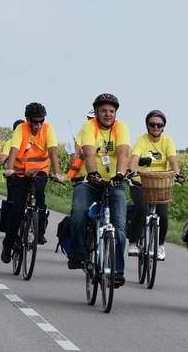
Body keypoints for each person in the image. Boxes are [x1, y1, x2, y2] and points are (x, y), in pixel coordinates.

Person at [67, 93, 130, 288]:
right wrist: (93, 173)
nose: (108, 114)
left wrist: (120, 174)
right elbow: (89, 152)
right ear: (96, 112)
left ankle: (117, 271)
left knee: (119, 226)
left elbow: (123, 152)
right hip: (89, 181)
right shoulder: (89, 126)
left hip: (114, 183)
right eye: (104, 110)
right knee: (78, 212)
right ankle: (77, 251)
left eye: (111, 111)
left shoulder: (121, 127)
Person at [0, 103, 63, 263]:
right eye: (35, 121)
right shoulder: (21, 128)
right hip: (19, 171)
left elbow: (52, 152)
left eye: (41, 121)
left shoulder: (48, 129)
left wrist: (57, 173)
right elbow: (14, 149)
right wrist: (9, 169)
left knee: (40, 195)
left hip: (40, 170)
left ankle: (39, 231)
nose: (38, 125)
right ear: (28, 119)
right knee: (18, 207)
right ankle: (8, 245)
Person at [127, 110, 184, 261]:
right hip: (140, 182)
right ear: (147, 126)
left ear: (163, 127)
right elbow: (134, 158)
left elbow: (172, 161)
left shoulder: (167, 141)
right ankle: (133, 243)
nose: (156, 127)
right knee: (141, 208)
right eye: (152, 124)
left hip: (161, 185)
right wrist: (130, 171)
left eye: (159, 125)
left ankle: (160, 245)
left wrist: (176, 174)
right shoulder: (142, 140)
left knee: (163, 215)